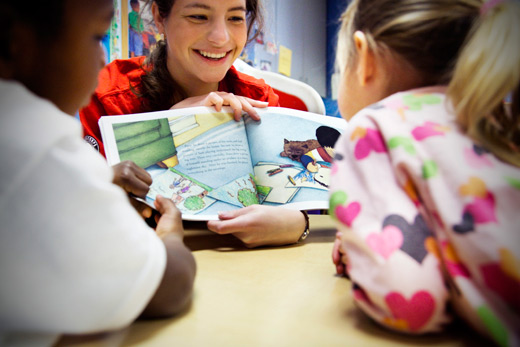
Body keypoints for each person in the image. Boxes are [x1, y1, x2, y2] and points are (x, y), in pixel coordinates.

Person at [0, 0, 196, 344]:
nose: (103, 57)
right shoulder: (36, 142)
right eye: (96, 37)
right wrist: (171, 235)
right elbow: (169, 284)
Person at [329, 0, 520, 345]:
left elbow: (412, 304)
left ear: (364, 59)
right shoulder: (493, 120)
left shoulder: (373, 129)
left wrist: (367, 265)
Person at [79, 0, 308, 248]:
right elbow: (69, 208)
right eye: (198, 16)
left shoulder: (258, 101)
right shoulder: (106, 96)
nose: (220, 38)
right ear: (159, 17)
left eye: (235, 18)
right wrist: (173, 121)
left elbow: (290, 202)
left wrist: (298, 225)